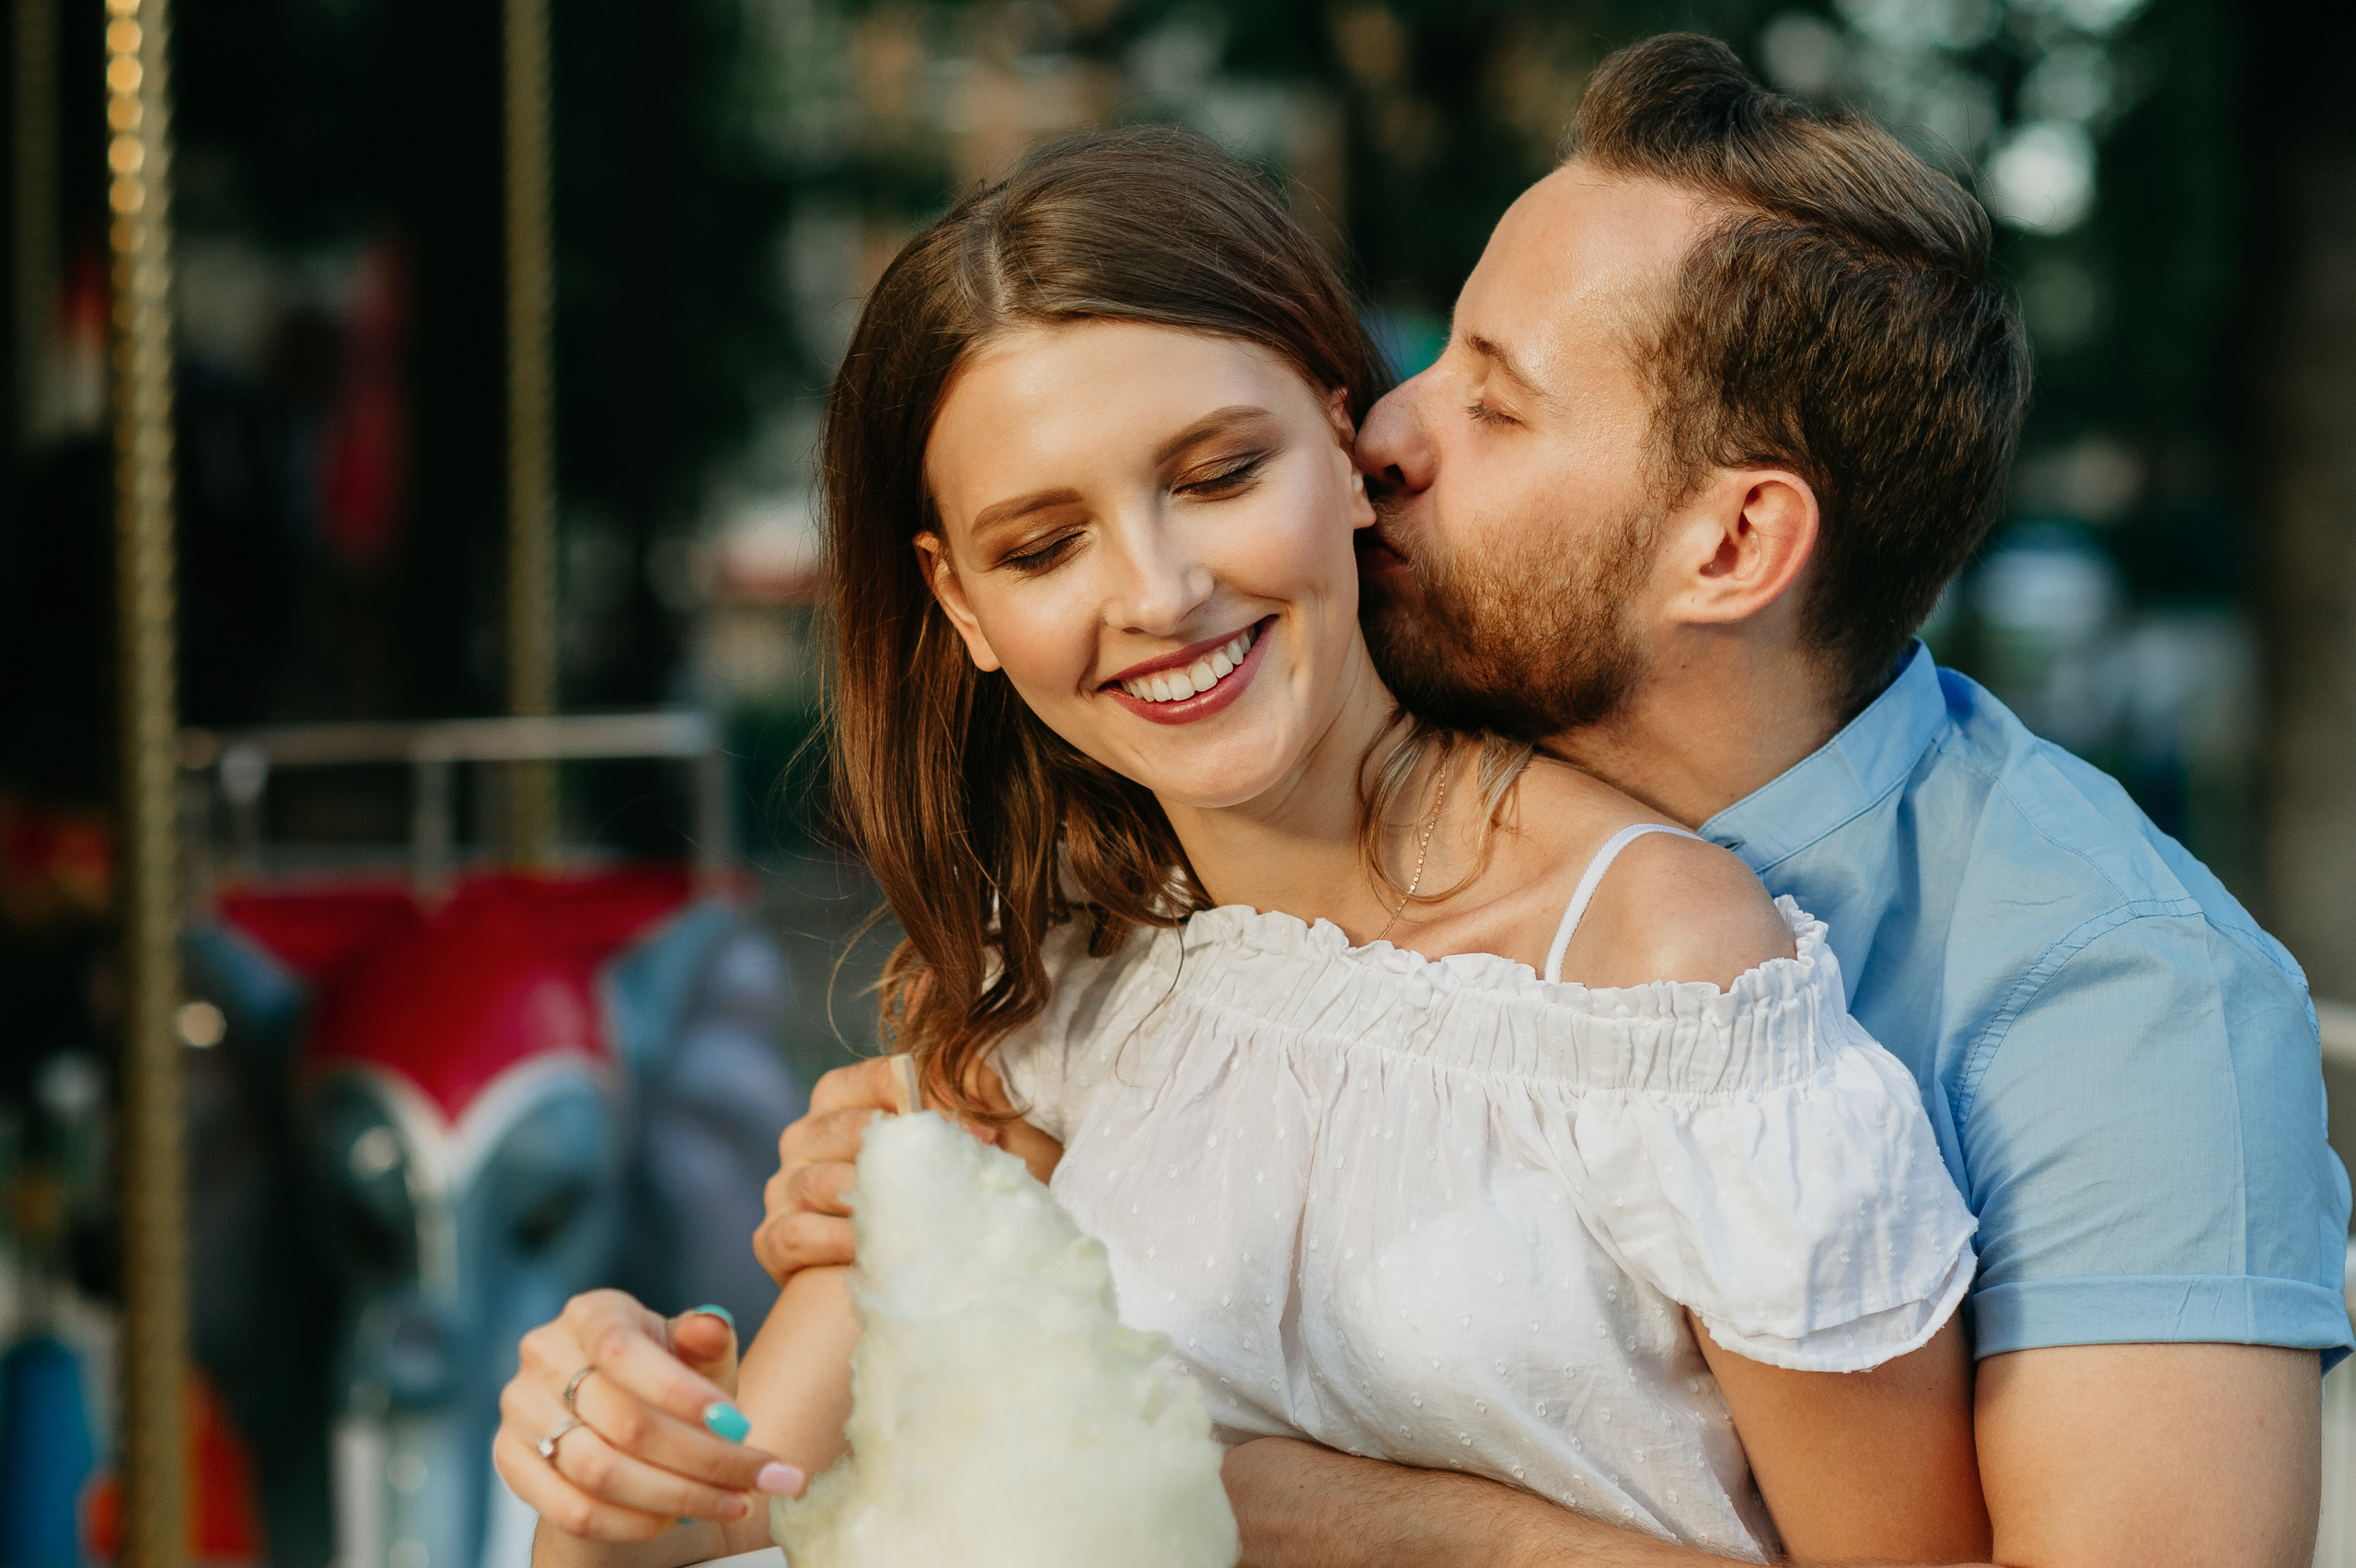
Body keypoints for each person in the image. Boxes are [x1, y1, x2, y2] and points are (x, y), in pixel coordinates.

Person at [492, 123, 1995, 1564]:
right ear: (962, 609)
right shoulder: (1042, 991)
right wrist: (611, 1440)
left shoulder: (1660, 969)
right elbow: (731, 1516)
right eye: (1043, 545)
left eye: (1216, 475)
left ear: (1348, 449)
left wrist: (1397, 1539)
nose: (1155, 592)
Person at [1198, 33, 2351, 1568]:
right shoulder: (1319, 774)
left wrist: (1329, 1520)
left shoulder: (2125, 1009)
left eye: (1495, 404)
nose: (1382, 436)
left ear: (1733, 546)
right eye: (1433, 361)